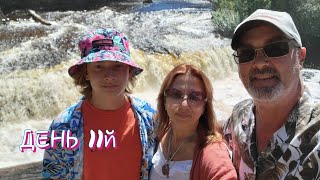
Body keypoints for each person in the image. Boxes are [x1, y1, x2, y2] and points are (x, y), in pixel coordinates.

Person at [41, 28, 156, 180]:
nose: (109, 76)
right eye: (99, 66)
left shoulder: (149, 118)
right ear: (86, 73)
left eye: (117, 65)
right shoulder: (63, 126)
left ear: (129, 71)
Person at [223, 9, 320, 179]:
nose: (259, 63)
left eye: (276, 49)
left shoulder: (316, 138)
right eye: (247, 53)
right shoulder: (240, 116)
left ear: (301, 57)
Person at [151, 64, 237, 180]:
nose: (184, 105)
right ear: (164, 100)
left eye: (195, 97)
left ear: (204, 107)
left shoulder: (213, 152)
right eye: (176, 94)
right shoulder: (160, 130)